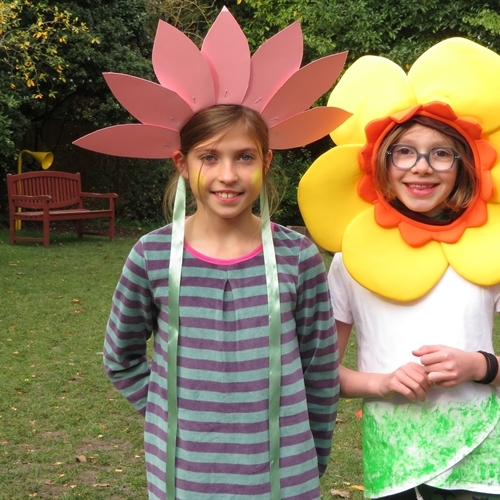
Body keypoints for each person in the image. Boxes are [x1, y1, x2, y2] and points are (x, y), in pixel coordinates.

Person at [74, 8, 349, 500]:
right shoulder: (151, 257)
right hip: (184, 479)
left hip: (285, 480)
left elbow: (320, 374)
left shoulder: (299, 257)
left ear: (266, 161)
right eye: (209, 157)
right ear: (183, 164)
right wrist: (168, 417)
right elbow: (121, 359)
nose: (228, 175)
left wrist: (311, 456)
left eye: (244, 157)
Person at [298, 38, 500, 500]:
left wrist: (478, 365)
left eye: (441, 153)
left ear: (465, 164)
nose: (422, 168)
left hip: (483, 465)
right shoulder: (351, 261)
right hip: (394, 462)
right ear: (381, 164)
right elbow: (321, 372)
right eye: (404, 152)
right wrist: (382, 383)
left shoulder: (492, 250)